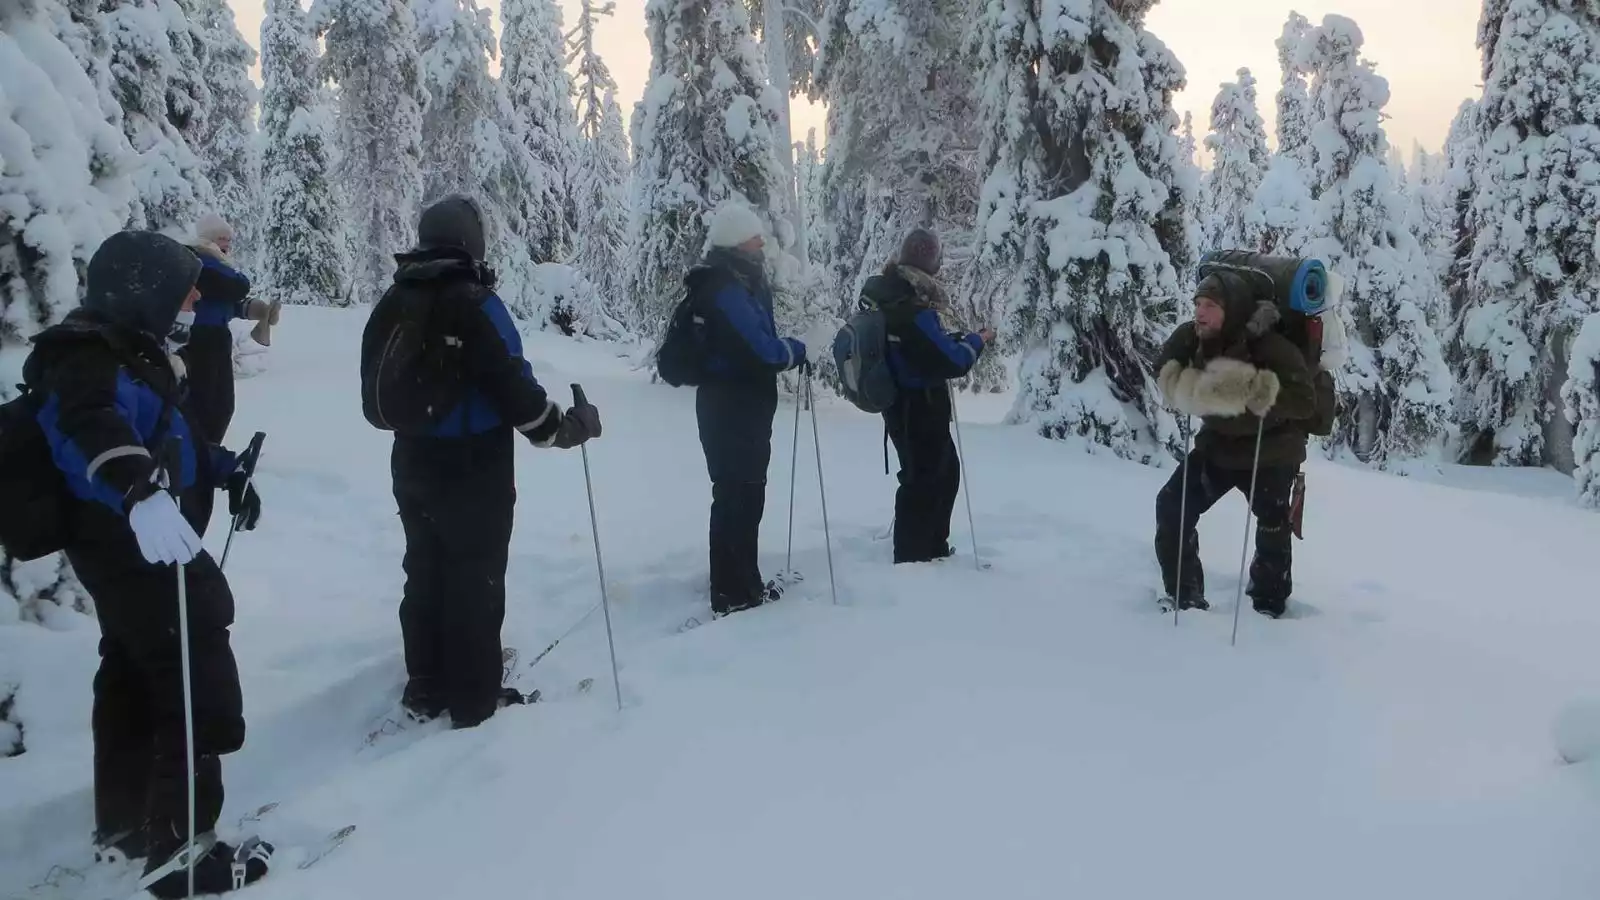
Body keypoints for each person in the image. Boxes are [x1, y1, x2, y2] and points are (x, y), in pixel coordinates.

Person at [23, 230, 268, 897]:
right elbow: (91, 428)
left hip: (138, 540)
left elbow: (174, 437)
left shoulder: (131, 354)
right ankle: (182, 854)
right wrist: (138, 493)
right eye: (181, 285)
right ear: (143, 288)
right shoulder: (84, 360)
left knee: (136, 672)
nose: (192, 296)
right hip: (127, 543)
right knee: (193, 674)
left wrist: (226, 472)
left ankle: (129, 829)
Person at [372, 194, 601, 730]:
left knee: (424, 569)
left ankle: (426, 684)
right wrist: (564, 429)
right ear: (472, 242)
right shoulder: (474, 302)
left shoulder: (397, 296)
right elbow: (514, 386)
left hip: (410, 457)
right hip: (474, 463)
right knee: (475, 577)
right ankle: (474, 700)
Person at [1152, 269, 1318, 618]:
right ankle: (1185, 596)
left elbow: (1304, 400)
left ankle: (1268, 606)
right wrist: (1190, 384)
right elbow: (1162, 368)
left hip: (1269, 452)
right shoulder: (1191, 336)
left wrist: (1252, 393)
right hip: (1217, 447)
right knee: (1172, 506)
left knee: (1273, 525)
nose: (1199, 312)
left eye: (1210, 305)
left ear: (1233, 309)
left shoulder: (1269, 344)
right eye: (1197, 303)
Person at [686, 201, 808, 617]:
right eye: (755, 238)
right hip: (732, 408)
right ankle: (733, 592)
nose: (762, 243)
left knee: (741, 493)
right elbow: (760, 349)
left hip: (735, 406)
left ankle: (740, 582)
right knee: (739, 495)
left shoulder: (734, 282)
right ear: (739, 242)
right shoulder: (727, 290)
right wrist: (794, 351)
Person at [858, 228, 992, 564]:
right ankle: (915, 558)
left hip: (899, 403)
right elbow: (951, 360)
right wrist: (977, 341)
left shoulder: (886, 293)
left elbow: (924, 346)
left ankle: (929, 550)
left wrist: (951, 341)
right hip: (919, 407)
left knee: (938, 474)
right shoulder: (912, 305)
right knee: (926, 480)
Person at [182, 212, 273, 448]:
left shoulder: (216, 265)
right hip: (200, 340)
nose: (227, 244)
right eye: (222, 238)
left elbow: (222, 300)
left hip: (217, 338)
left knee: (222, 406)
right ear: (208, 238)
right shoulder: (200, 261)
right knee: (206, 405)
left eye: (229, 239)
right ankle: (199, 453)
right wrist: (243, 296)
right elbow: (235, 285)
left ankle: (208, 451)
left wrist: (251, 310)